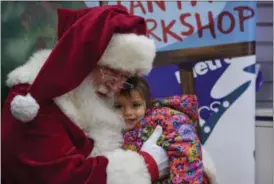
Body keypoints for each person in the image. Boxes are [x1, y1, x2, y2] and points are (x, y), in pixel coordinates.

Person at [1, 5, 169, 184]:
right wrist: (146, 166)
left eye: (126, 77)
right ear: (82, 61)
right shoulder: (32, 100)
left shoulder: (94, 94)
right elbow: (60, 176)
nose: (117, 86)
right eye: (112, 71)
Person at [113, 76, 218, 184]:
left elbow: (186, 153)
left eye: (135, 105)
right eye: (118, 106)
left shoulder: (165, 118)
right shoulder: (110, 131)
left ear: (146, 104)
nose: (127, 113)